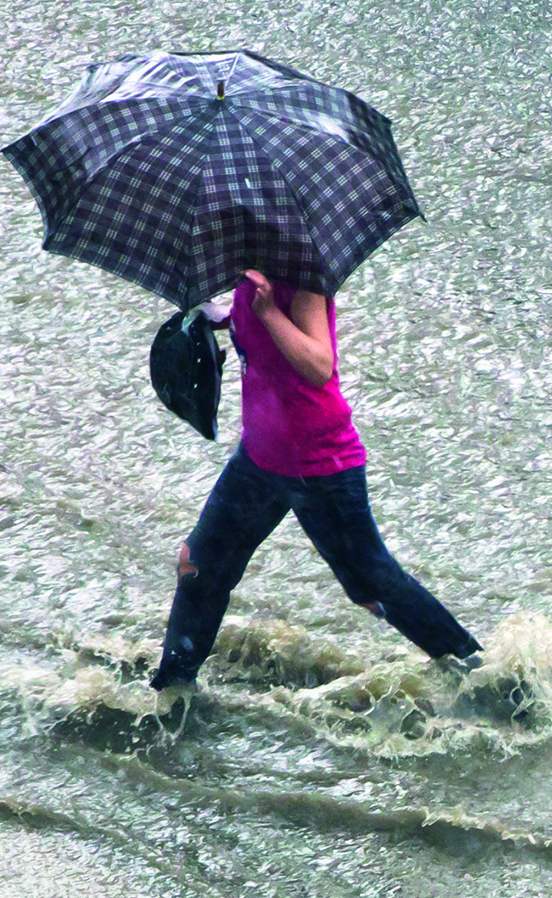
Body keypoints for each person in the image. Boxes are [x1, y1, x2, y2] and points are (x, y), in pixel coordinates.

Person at [148, 268, 483, 691]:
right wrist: (215, 314)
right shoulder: (248, 273)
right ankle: (173, 692)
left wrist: (270, 313)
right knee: (199, 565)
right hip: (260, 459)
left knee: (370, 585)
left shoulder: (301, 272)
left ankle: (478, 674)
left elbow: (319, 364)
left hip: (321, 465)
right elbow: (247, 320)